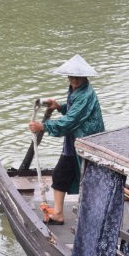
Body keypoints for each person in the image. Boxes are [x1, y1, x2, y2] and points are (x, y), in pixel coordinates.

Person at [28, 54, 104, 225]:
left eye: (78, 77)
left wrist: (44, 126)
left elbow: (71, 120)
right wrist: (60, 106)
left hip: (85, 142)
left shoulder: (85, 95)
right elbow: (72, 111)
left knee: (72, 175)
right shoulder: (75, 90)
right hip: (75, 141)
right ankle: (60, 213)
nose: (74, 80)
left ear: (84, 77)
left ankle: (62, 214)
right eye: (72, 77)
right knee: (63, 175)